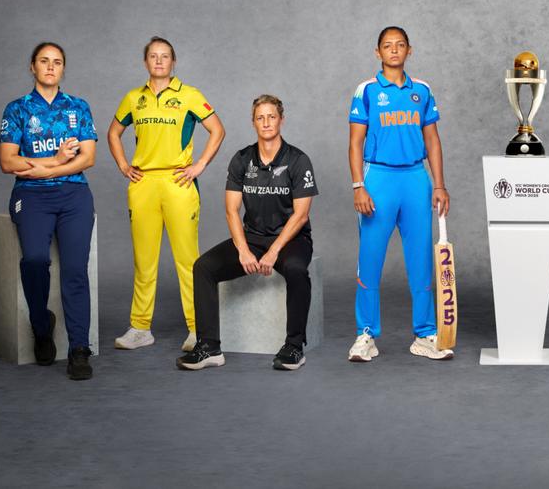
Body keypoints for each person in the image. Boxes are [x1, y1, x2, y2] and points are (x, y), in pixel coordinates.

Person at [177, 95, 318, 371]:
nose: (266, 122)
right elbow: (231, 210)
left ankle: (294, 347)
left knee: (296, 270)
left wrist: (274, 251)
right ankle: (209, 347)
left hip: (291, 239)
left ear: (281, 120)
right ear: (253, 122)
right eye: (260, 117)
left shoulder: (298, 160)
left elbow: (301, 215)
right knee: (203, 267)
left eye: (271, 117)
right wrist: (243, 249)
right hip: (252, 237)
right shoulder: (242, 159)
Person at [108, 37, 225, 352]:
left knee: (188, 261)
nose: (159, 61)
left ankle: (197, 329)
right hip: (143, 184)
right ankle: (140, 328)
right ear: (145, 61)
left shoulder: (189, 95)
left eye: (165, 56)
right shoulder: (133, 98)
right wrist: (123, 165)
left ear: (173, 62)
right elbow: (113, 133)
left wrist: (200, 165)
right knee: (144, 261)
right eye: (153, 56)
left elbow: (217, 129)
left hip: (178, 183)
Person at [346, 26, 452, 362]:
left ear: (409, 50)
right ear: (378, 52)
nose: (394, 50)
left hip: (415, 179)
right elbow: (355, 142)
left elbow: (432, 140)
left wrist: (439, 184)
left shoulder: (422, 90)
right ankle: (366, 334)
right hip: (378, 179)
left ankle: (425, 334)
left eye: (400, 44)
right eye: (387, 45)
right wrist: (358, 185)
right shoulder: (366, 90)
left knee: (421, 260)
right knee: (370, 259)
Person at [0, 42, 98, 380]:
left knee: (75, 269)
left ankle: (79, 349)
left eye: (57, 62)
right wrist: (54, 161)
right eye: (44, 61)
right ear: (33, 67)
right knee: (35, 259)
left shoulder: (78, 107)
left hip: (74, 195)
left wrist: (48, 168)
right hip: (31, 195)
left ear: (63, 68)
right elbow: (7, 161)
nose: (51, 67)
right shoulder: (17, 109)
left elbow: (88, 158)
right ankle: (41, 326)